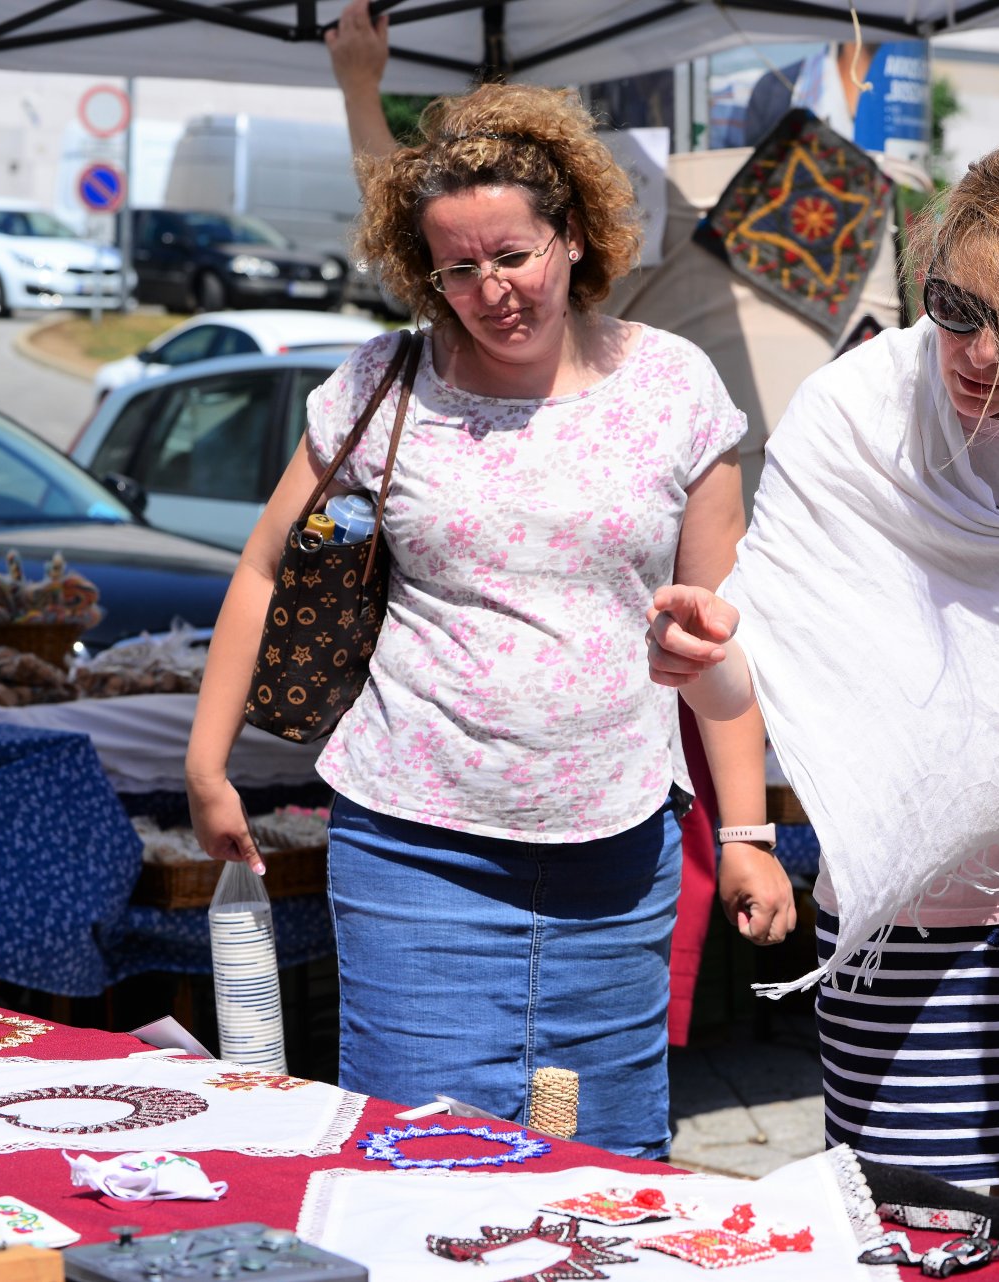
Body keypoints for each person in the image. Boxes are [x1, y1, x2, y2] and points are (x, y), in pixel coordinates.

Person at [184, 82, 792, 1159]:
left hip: (617, 855)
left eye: (513, 255)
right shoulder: (380, 383)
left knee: (602, 1164)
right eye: (456, 270)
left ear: (575, 235)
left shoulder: (674, 387)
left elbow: (720, 636)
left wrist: (745, 834)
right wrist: (206, 763)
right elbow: (267, 566)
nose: (490, 291)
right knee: (422, 1158)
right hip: (413, 849)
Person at [649, 141, 999, 1197]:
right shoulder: (854, 416)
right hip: (905, 914)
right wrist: (745, 824)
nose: (981, 352)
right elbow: (761, 652)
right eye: (955, 308)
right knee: (905, 1219)